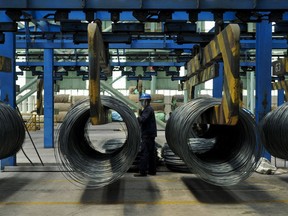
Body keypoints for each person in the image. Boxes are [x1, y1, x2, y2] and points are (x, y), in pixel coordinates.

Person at [134, 93, 157, 177]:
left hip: (147, 134)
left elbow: (143, 119)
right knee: (151, 153)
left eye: (143, 101)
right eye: (141, 101)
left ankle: (142, 172)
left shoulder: (148, 109)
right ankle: (152, 171)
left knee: (144, 152)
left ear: (147, 101)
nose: (142, 103)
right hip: (150, 134)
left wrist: (136, 118)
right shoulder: (148, 109)